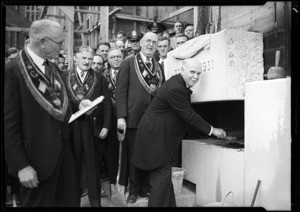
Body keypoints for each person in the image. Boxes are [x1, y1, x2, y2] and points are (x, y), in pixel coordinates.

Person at [132, 58, 227, 207]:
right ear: (182, 69)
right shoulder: (175, 88)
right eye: (192, 72)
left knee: (163, 180)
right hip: (155, 139)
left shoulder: (178, 84)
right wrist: (212, 130)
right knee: (160, 182)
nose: (195, 77)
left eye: (199, 73)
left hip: (158, 138)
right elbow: (189, 115)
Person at [4, 19, 79, 207]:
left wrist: (80, 106)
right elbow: (8, 125)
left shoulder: (52, 67)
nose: (62, 48)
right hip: (36, 161)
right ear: (43, 42)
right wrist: (21, 166)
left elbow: (59, 103)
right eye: (59, 43)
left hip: (64, 156)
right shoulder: (12, 71)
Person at [115, 32, 165, 204]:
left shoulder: (159, 67)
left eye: (154, 42)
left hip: (153, 120)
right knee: (134, 157)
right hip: (133, 119)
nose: (151, 45)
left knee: (149, 154)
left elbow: (161, 94)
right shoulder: (129, 62)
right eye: (148, 41)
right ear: (141, 43)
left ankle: (145, 188)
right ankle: (134, 190)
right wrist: (121, 116)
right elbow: (120, 91)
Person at [62, 45, 112, 207]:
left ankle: (95, 202)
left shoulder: (100, 78)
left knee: (93, 167)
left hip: (93, 127)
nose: (87, 61)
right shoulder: (65, 77)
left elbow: (107, 106)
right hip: (72, 127)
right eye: (83, 58)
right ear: (76, 57)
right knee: (73, 166)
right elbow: (62, 102)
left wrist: (106, 126)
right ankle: (73, 201)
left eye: (90, 59)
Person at [103, 49, 124, 193]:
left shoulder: (128, 72)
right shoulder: (102, 76)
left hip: (124, 116)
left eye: (118, 57)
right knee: (111, 150)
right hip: (110, 118)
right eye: (113, 57)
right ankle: (112, 181)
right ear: (108, 60)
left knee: (125, 150)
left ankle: (124, 180)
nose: (116, 59)